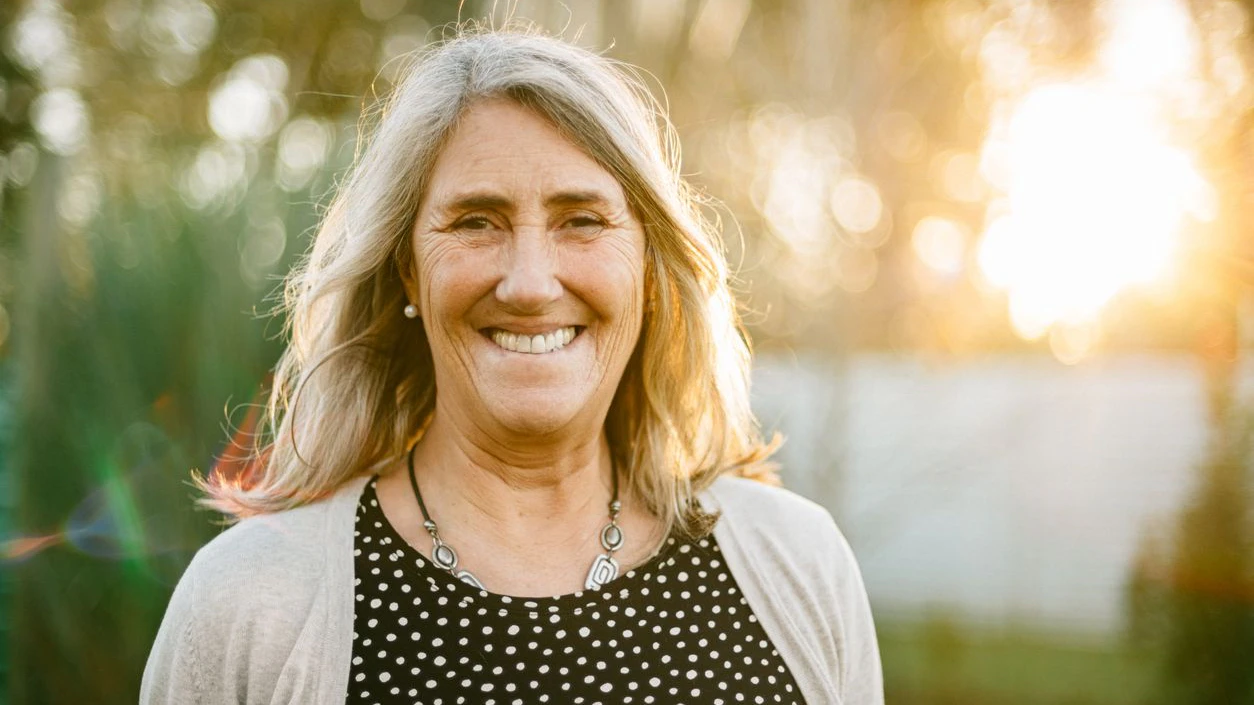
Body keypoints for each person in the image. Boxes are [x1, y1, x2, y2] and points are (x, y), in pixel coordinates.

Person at [140, 25, 883, 705]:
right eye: (475, 221)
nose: (529, 282)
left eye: (582, 221)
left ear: (649, 269)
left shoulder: (798, 563)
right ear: (407, 269)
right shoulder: (250, 602)